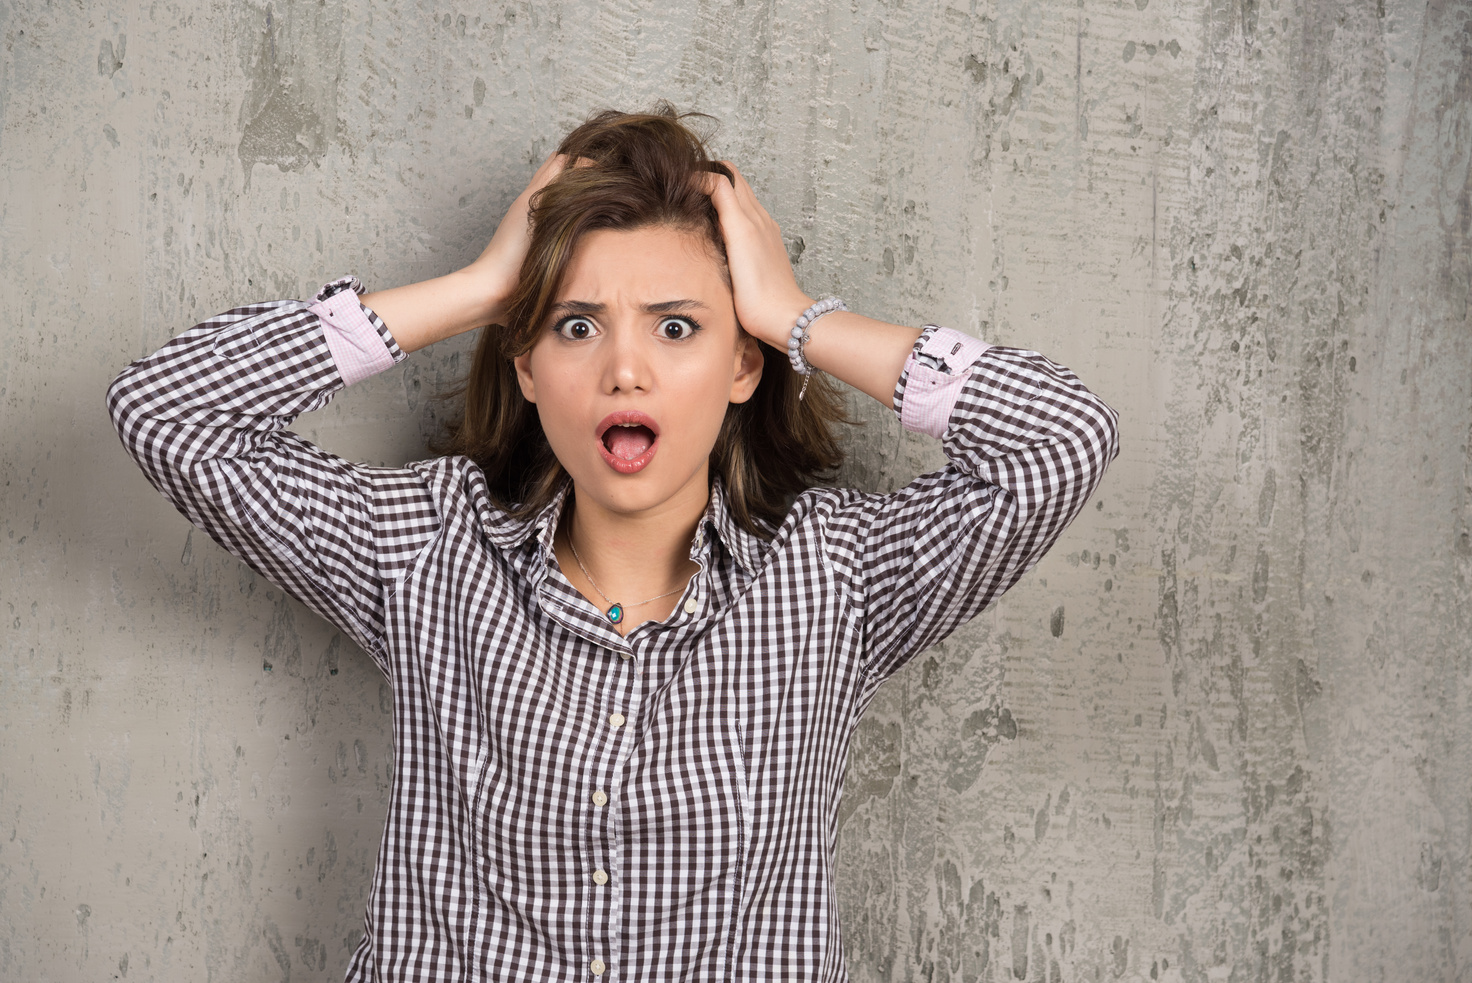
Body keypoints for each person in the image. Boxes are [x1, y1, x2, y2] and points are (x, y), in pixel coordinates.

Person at [108, 106, 1118, 982]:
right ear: (527, 364)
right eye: (576, 327)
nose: (625, 370)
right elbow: (168, 411)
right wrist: (482, 286)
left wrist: (796, 317)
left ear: (742, 366)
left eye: (676, 329)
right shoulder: (422, 547)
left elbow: (1061, 440)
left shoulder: (835, 575)